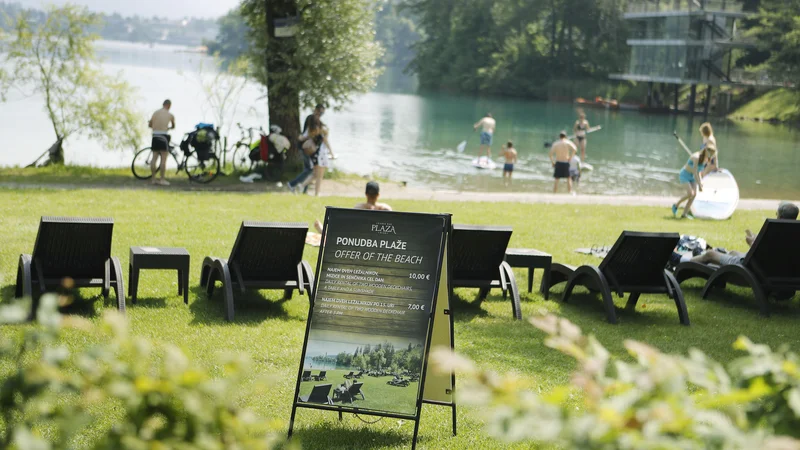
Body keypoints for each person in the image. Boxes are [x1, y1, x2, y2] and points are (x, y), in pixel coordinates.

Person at [690, 202, 799, 266]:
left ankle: (682, 264)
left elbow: (764, 255)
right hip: (779, 270)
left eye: (777, 214)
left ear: (780, 216)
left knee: (710, 254)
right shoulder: (794, 233)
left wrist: (752, 243)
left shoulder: (775, 231)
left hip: (756, 269)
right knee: (732, 252)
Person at [314, 181, 391, 232]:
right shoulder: (385, 208)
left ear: (366, 194)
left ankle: (324, 232)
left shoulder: (359, 207)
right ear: (378, 195)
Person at [289, 104, 328, 193]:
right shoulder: (311, 118)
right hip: (307, 147)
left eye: (322, 113)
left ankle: (303, 189)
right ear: (316, 110)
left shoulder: (316, 120)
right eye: (320, 112)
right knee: (309, 169)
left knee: (310, 169)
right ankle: (293, 184)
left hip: (310, 149)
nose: (321, 114)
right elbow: (308, 133)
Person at [671, 144, 717, 219]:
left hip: (692, 177)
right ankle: (676, 205)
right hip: (685, 175)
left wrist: (700, 182)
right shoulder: (696, 157)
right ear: (706, 151)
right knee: (690, 193)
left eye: (712, 155)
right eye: (711, 154)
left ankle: (684, 214)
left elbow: (699, 172)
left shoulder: (706, 159)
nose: (711, 156)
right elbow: (695, 172)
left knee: (694, 195)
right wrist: (699, 184)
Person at [297, 116, 331, 197]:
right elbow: (326, 142)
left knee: (315, 174)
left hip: (314, 154)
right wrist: (331, 152)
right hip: (321, 154)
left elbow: (300, 138)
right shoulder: (322, 130)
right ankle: (317, 193)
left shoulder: (310, 130)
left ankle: (302, 186)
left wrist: (307, 137)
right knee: (319, 175)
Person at [148, 99, 175, 186]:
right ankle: (162, 179)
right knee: (163, 158)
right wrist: (168, 128)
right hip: (164, 136)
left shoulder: (155, 113)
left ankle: (153, 179)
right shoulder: (170, 115)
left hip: (155, 135)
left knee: (154, 157)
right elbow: (173, 126)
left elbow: (150, 125)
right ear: (169, 105)